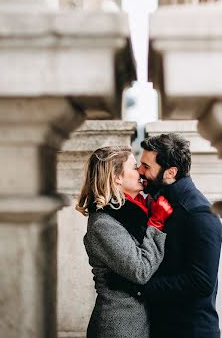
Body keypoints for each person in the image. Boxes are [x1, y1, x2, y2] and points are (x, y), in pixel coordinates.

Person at [109, 133, 222, 338]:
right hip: (160, 327)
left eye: (146, 166)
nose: (140, 172)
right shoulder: (157, 202)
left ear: (170, 172)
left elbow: (201, 283)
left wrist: (138, 287)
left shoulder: (200, 215)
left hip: (189, 331)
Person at [76, 145, 173, 338]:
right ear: (117, 177)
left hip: (138, 322)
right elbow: (141, 270)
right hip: (119, 327)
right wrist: (156, 223)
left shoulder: (132, 213)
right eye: (134, 167)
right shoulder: (103, 224)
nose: (140, 172)